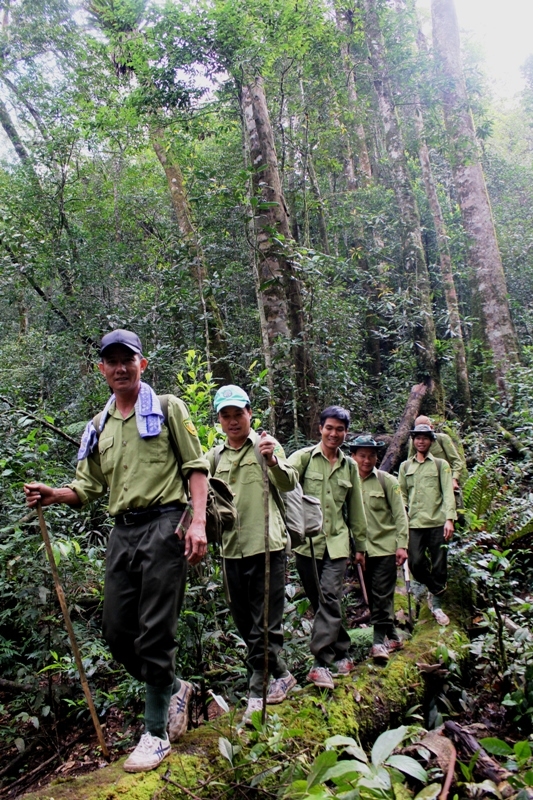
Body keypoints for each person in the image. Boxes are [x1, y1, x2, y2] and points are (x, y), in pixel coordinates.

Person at [24, 330, 209, 773]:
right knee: (115, 630)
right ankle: (174, 688)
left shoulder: (167, 408)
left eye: (129, 359)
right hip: (122, 532)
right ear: (102, 370)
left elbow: (196, 467)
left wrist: (198, 522)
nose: (121, 367)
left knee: (155, 629)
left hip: (166, 523)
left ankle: (156, 732)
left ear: (142, 364)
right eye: (112, 361)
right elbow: (86, 487)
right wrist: (55, 494)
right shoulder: (98, 426)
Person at [207, 385, 299, 721]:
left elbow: (289, 482)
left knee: (265, 623)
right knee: (246, 624)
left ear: (249, 414)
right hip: (231, 551)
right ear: (219, 419)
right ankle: (284, 676)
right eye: (225, 416)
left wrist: (272, 459)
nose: (232, 421)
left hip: (267, 547)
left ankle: (256, 690)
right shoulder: (214, 457)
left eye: (238, 414)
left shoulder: (265, 446)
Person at [287, 406, 367, 690]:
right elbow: (280, 482)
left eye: (340, 429)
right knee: (320, 600)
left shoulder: (349, 467)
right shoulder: (303, 459)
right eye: (329, 428)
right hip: (307, 545)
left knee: (330, 596)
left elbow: (355, 508)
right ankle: (342, 649)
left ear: (346, 432)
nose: (334, 434)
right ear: (320, 428)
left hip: (337, 544)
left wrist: (361, 545)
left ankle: (320, 662)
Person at [349, 436, 409, 662]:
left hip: (385, 547)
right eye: (362, 455)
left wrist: (402, 545)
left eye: (372, 455)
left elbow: (400, 516)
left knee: (382, 594)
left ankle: (377, 643)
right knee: (373, 599)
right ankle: (392, 636)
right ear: (353, 456)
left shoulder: (388, 481)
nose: (367, 460)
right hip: (360, 551)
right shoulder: (347, 481)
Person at [398, 424, 456, 626]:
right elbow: (402, 494)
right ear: (413, 441)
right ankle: (437, 589)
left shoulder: (441, 465)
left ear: (431, 441)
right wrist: (402, 514)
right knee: (415, 562)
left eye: (425, 438)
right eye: (417, 438)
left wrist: (450, 519)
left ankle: (437, 605)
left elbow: (448, 493)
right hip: (414, 522)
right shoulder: (405, 467)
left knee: (440, 563)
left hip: (437, 521)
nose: (421, 441)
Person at [407, 416, 466, 494]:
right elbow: (410, 462)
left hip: (444, 479)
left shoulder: (442, 439)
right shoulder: (414, 442)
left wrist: (454, 479)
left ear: (431, 427)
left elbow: (456, 461)